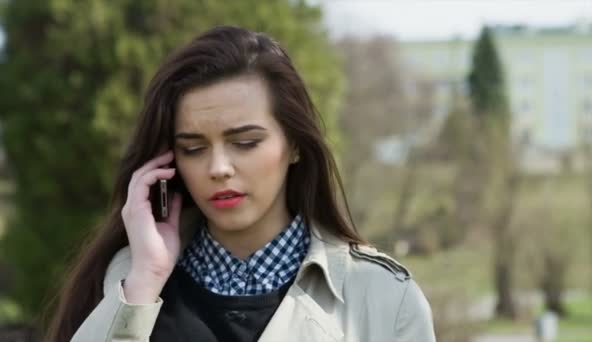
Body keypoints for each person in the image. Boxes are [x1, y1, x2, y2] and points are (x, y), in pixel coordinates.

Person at [47, 25, 435, 342]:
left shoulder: (384, 296)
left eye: (245, 143)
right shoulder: (127, 281)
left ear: (295, 144)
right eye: (194, 148)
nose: (218, 168)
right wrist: (144, 282)